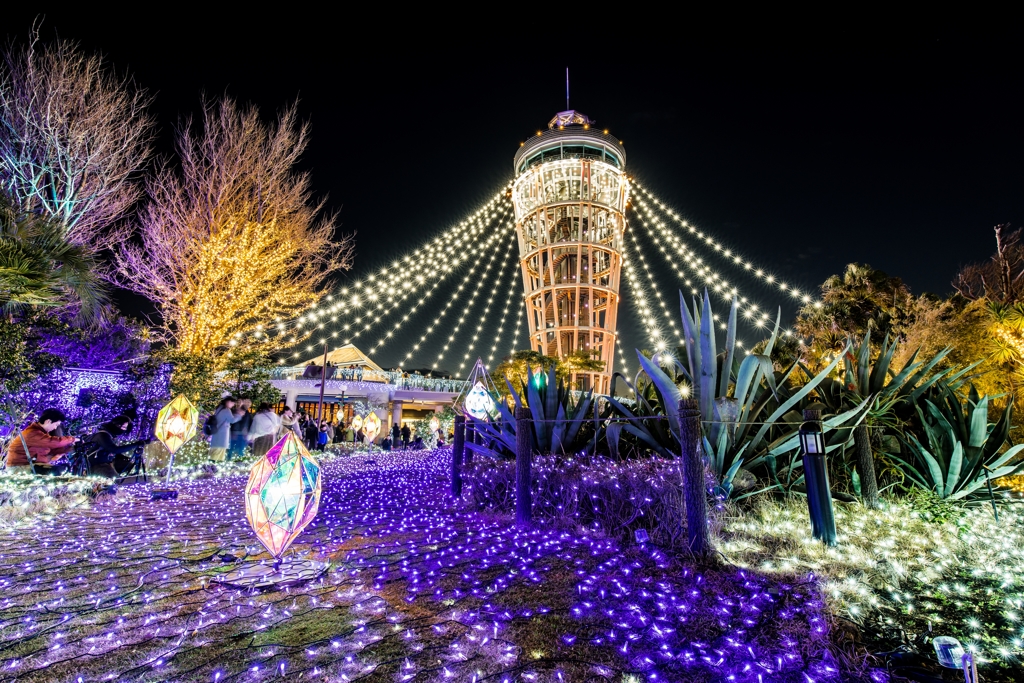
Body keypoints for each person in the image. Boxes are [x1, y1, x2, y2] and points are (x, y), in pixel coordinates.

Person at [5, 408, 75, 475]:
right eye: (56, 425)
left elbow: (42, 453)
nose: (55, 428)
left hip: (28, 465)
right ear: (48, 421)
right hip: (19, 467)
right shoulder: (33, 433)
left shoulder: (40, 433)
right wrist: (73, 439)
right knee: (55, 472)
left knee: (60, 470)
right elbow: (53, 442)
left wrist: (61, 452)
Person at [209, 396, 243, 462]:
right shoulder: (226, 410)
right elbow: (232, 420)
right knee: (219, 450)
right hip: (222, 433)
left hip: (217, 431)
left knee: (215, 450)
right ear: (229, 402)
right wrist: (239, 415)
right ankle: (214, 464)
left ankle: (211, 463)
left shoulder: (219, 408)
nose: (233, 405)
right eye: (233, 403)